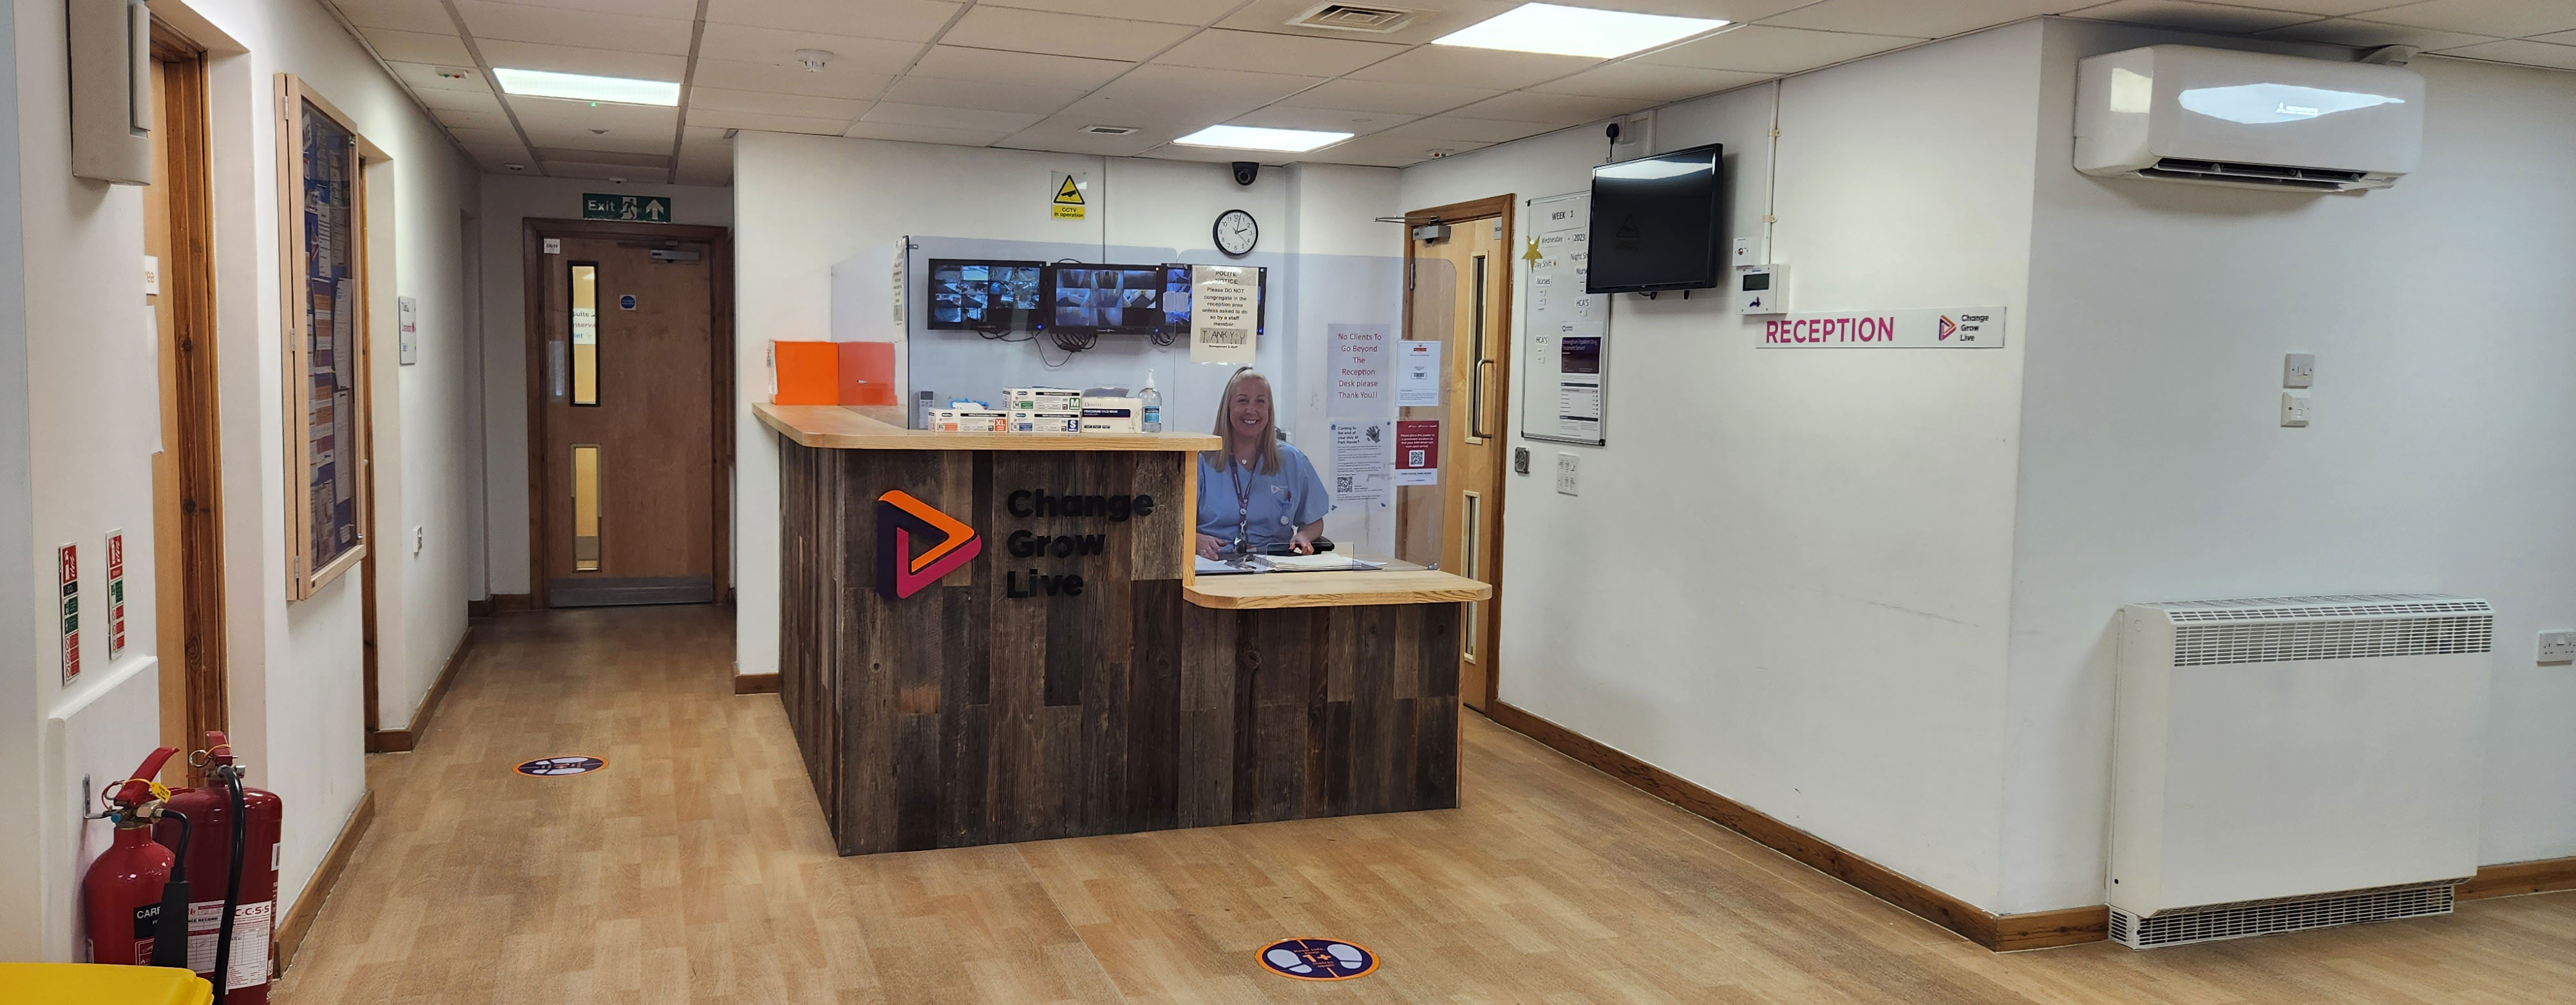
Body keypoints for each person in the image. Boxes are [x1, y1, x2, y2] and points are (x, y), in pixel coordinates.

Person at [1196, 367, 1329, 560]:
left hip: (1274, 564)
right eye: (1242, 401)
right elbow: (1175, 524)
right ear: (1228, 407)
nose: (1251, 410)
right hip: (1214, 563)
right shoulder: (1202, 461)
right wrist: (1195, 539)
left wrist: (1303, 536)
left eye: (1260, 401)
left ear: (1269, 409)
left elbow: (1314, 521)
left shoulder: (1291, 460)